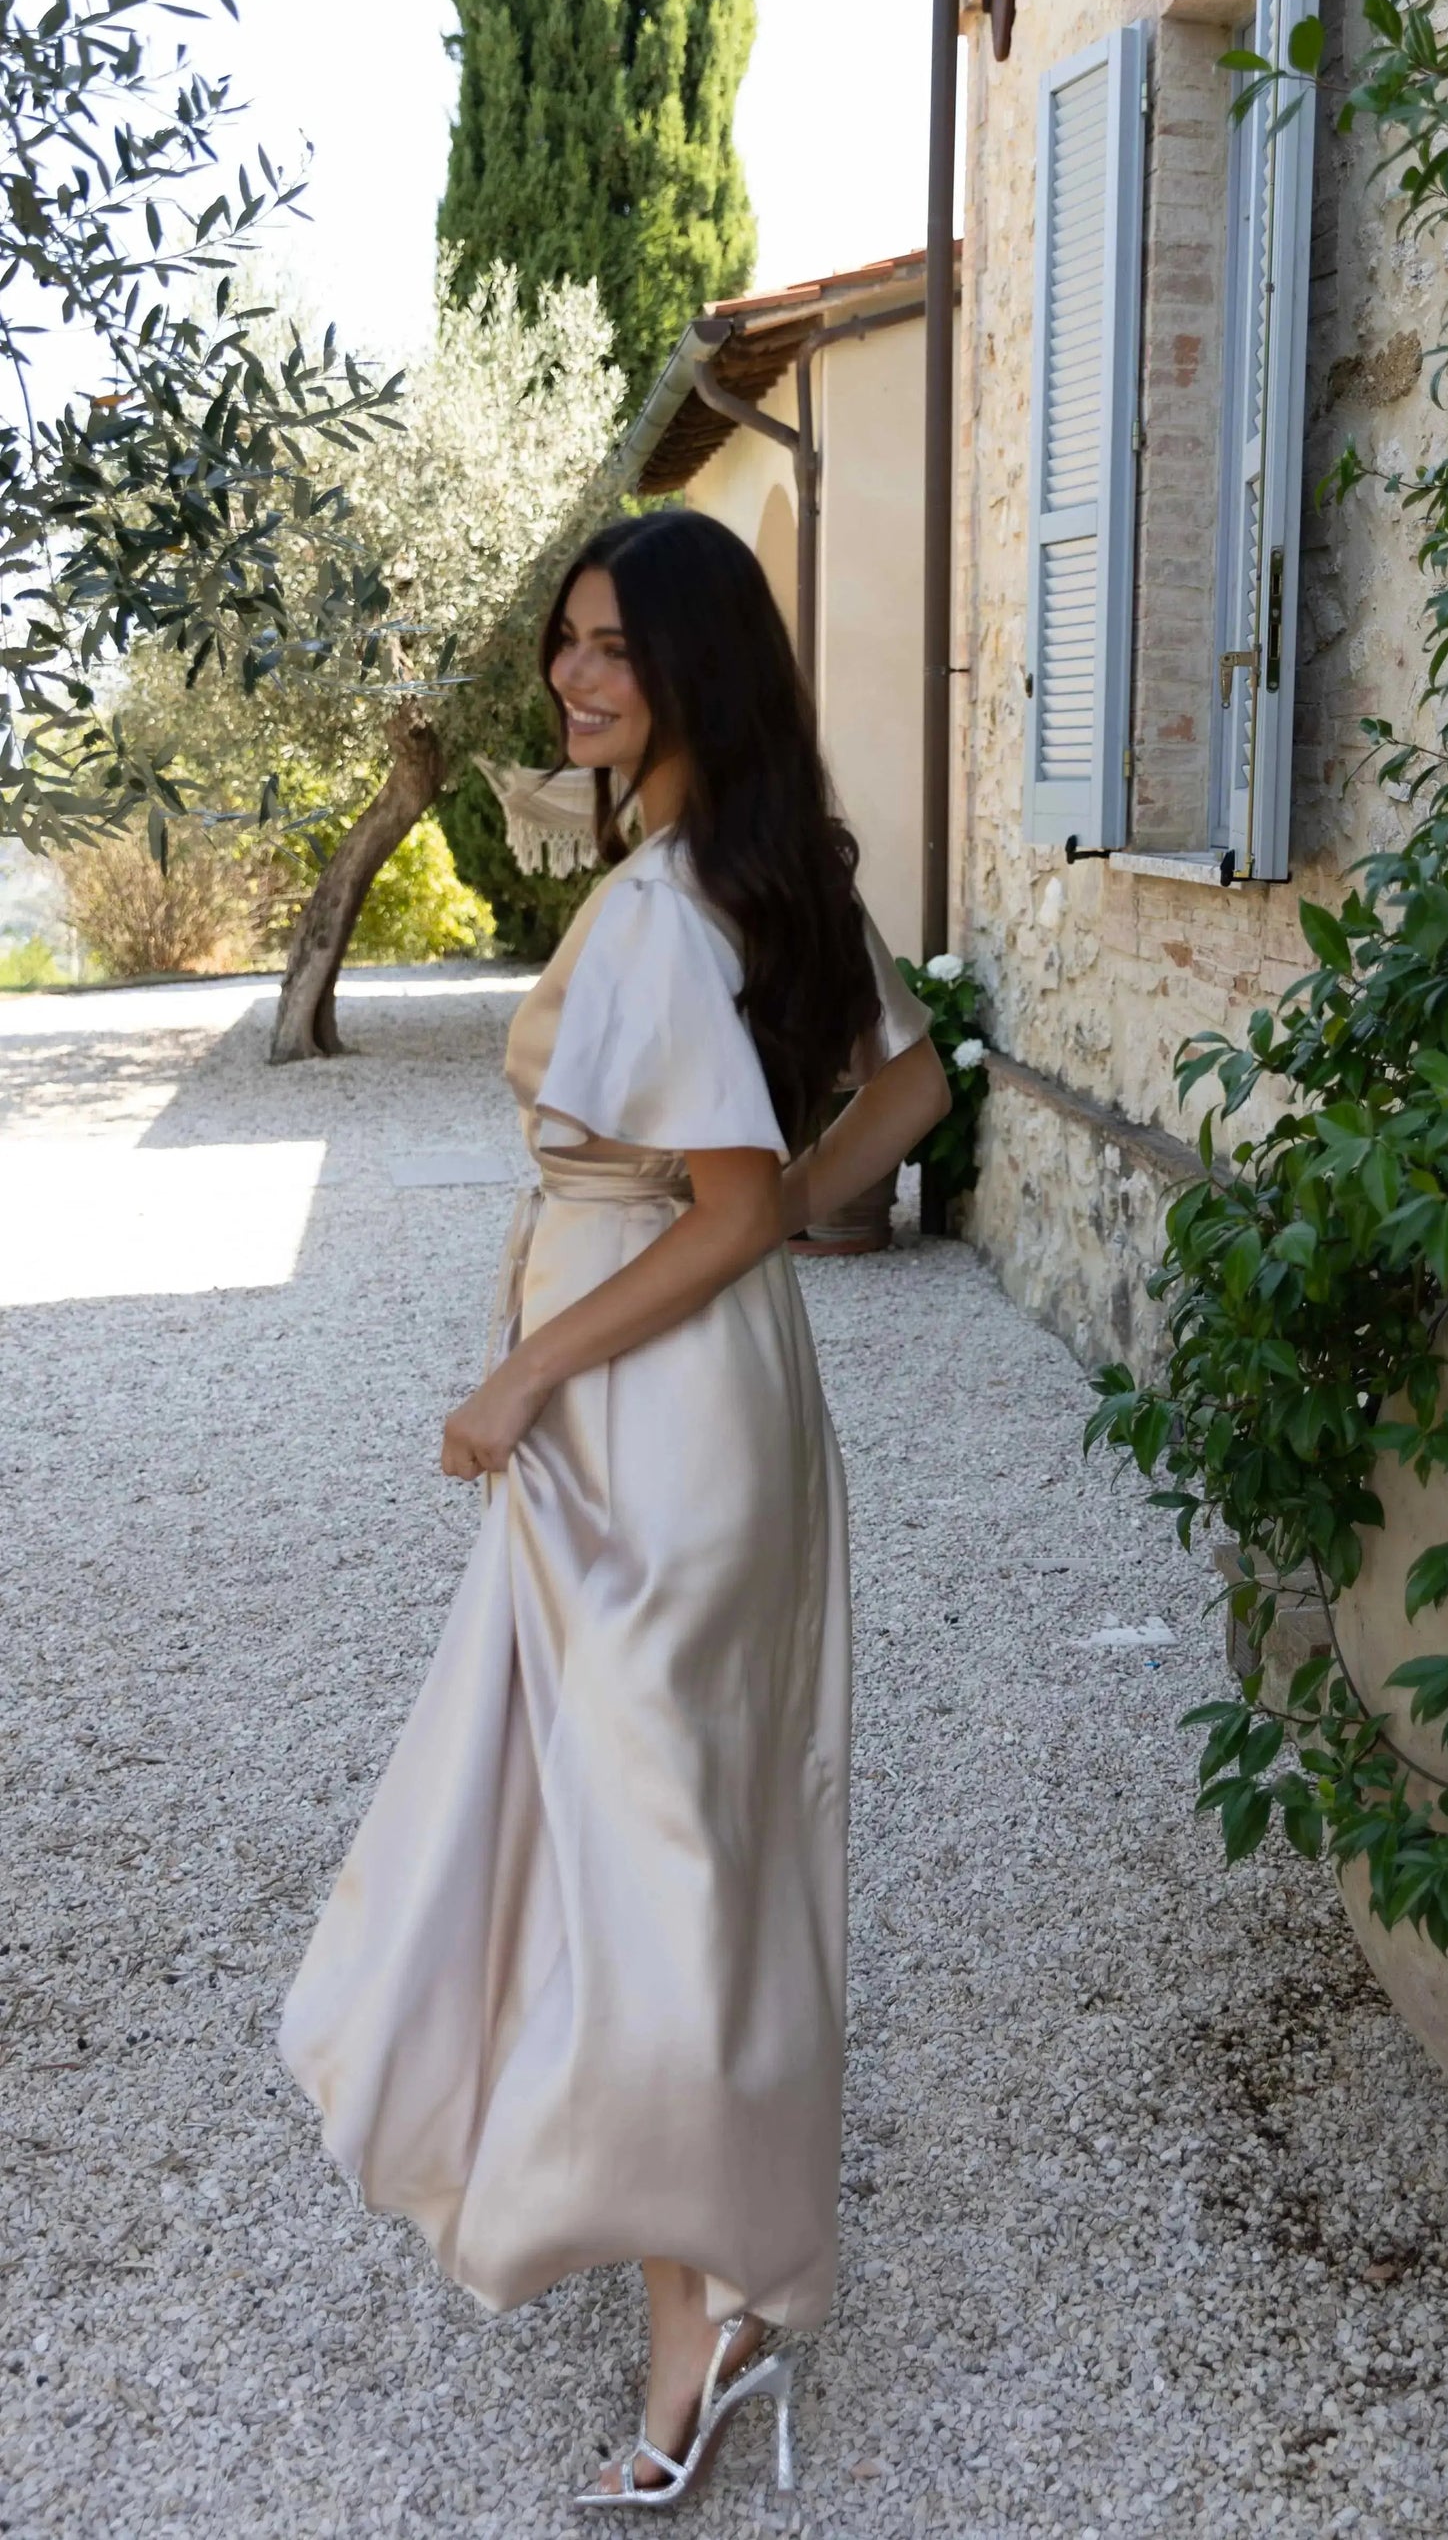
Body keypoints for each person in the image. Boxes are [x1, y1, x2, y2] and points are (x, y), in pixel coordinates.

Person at [279, 509, 952, 2511]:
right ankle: (702, 2252)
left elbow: (745, 1205)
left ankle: (708, 2317)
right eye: (565, 643)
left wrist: (525, 1369)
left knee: (659, 1858)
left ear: (693, 664)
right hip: (714, 1417)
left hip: (647, 1423)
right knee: (680, 1845)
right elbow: (909, 1092)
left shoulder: (674, 905)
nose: (574, 677)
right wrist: (745, 1203)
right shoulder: (767, 870)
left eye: (611, 646)